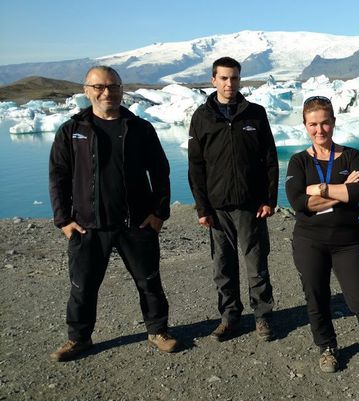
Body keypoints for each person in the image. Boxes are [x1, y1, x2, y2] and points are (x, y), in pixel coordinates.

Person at [48, 66, 177, 361]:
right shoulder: (73, 130)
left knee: (149, 281)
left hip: (136, 222)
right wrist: (63, 220)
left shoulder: (140, 128)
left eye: (114, 86)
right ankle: (78, 338)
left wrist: (159, 213)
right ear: (87, 90)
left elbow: (160, 171)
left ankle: (158, 331)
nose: (107, 92)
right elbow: (58, 176)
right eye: (99, 87)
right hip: (87, 225)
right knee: (82, 285)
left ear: (121, 89)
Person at [285, 96, 359, 391]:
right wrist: (341, 190)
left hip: (347, 242)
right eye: (313, 124)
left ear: (334, 122)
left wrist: (320, 188)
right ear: (305, 126)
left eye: (325, 122)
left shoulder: (351, 156)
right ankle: (326, 347)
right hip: (309, 241)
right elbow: (299, 203)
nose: (319, 129)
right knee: (317, 298)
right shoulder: (299, 160)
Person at [187, 57, 278, 342]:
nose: (229, 83)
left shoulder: (255, 113)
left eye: (234, 78)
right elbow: (196, 166)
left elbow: (270, 159)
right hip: (217, 207)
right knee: (223, 267)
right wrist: (202, 207)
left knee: (256, 264)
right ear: (213, 80)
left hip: (251, 205)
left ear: (240, 80)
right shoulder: (202, 117)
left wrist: (269, 199)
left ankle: (262, 316)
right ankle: (229, 316)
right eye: (224, 78)